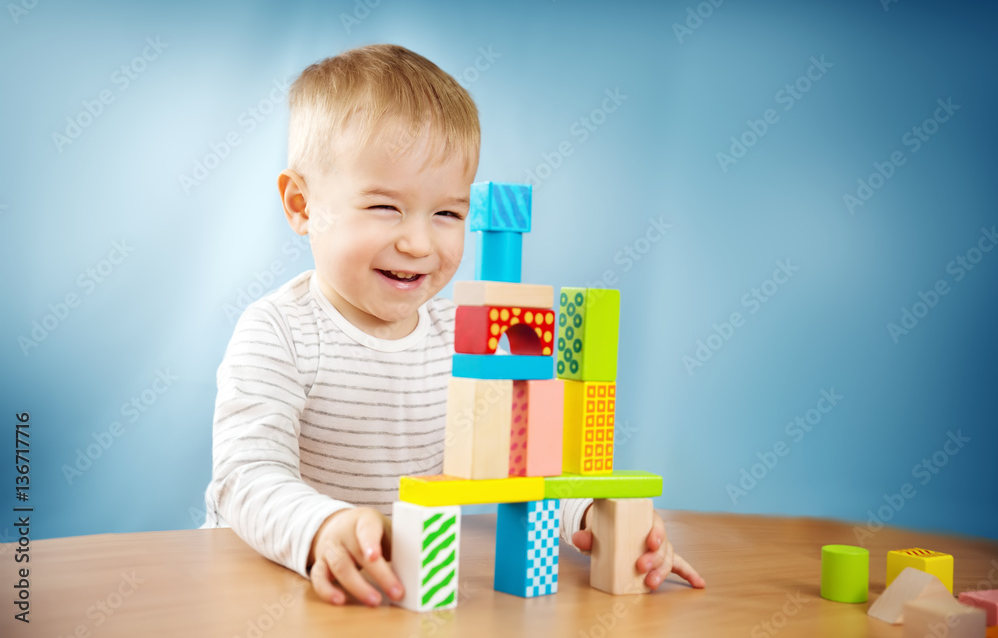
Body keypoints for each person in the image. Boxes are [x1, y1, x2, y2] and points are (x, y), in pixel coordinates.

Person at [200, 43, 704, 606]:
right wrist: (321, 530)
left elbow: (518, 461)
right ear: (301, 205)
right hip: (275, 588)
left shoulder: (467, 337)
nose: (418, 242)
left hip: (409, 593)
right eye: (384, 206)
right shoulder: (278, 331)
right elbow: (245, 477)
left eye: (447, 214)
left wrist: (590, 512)